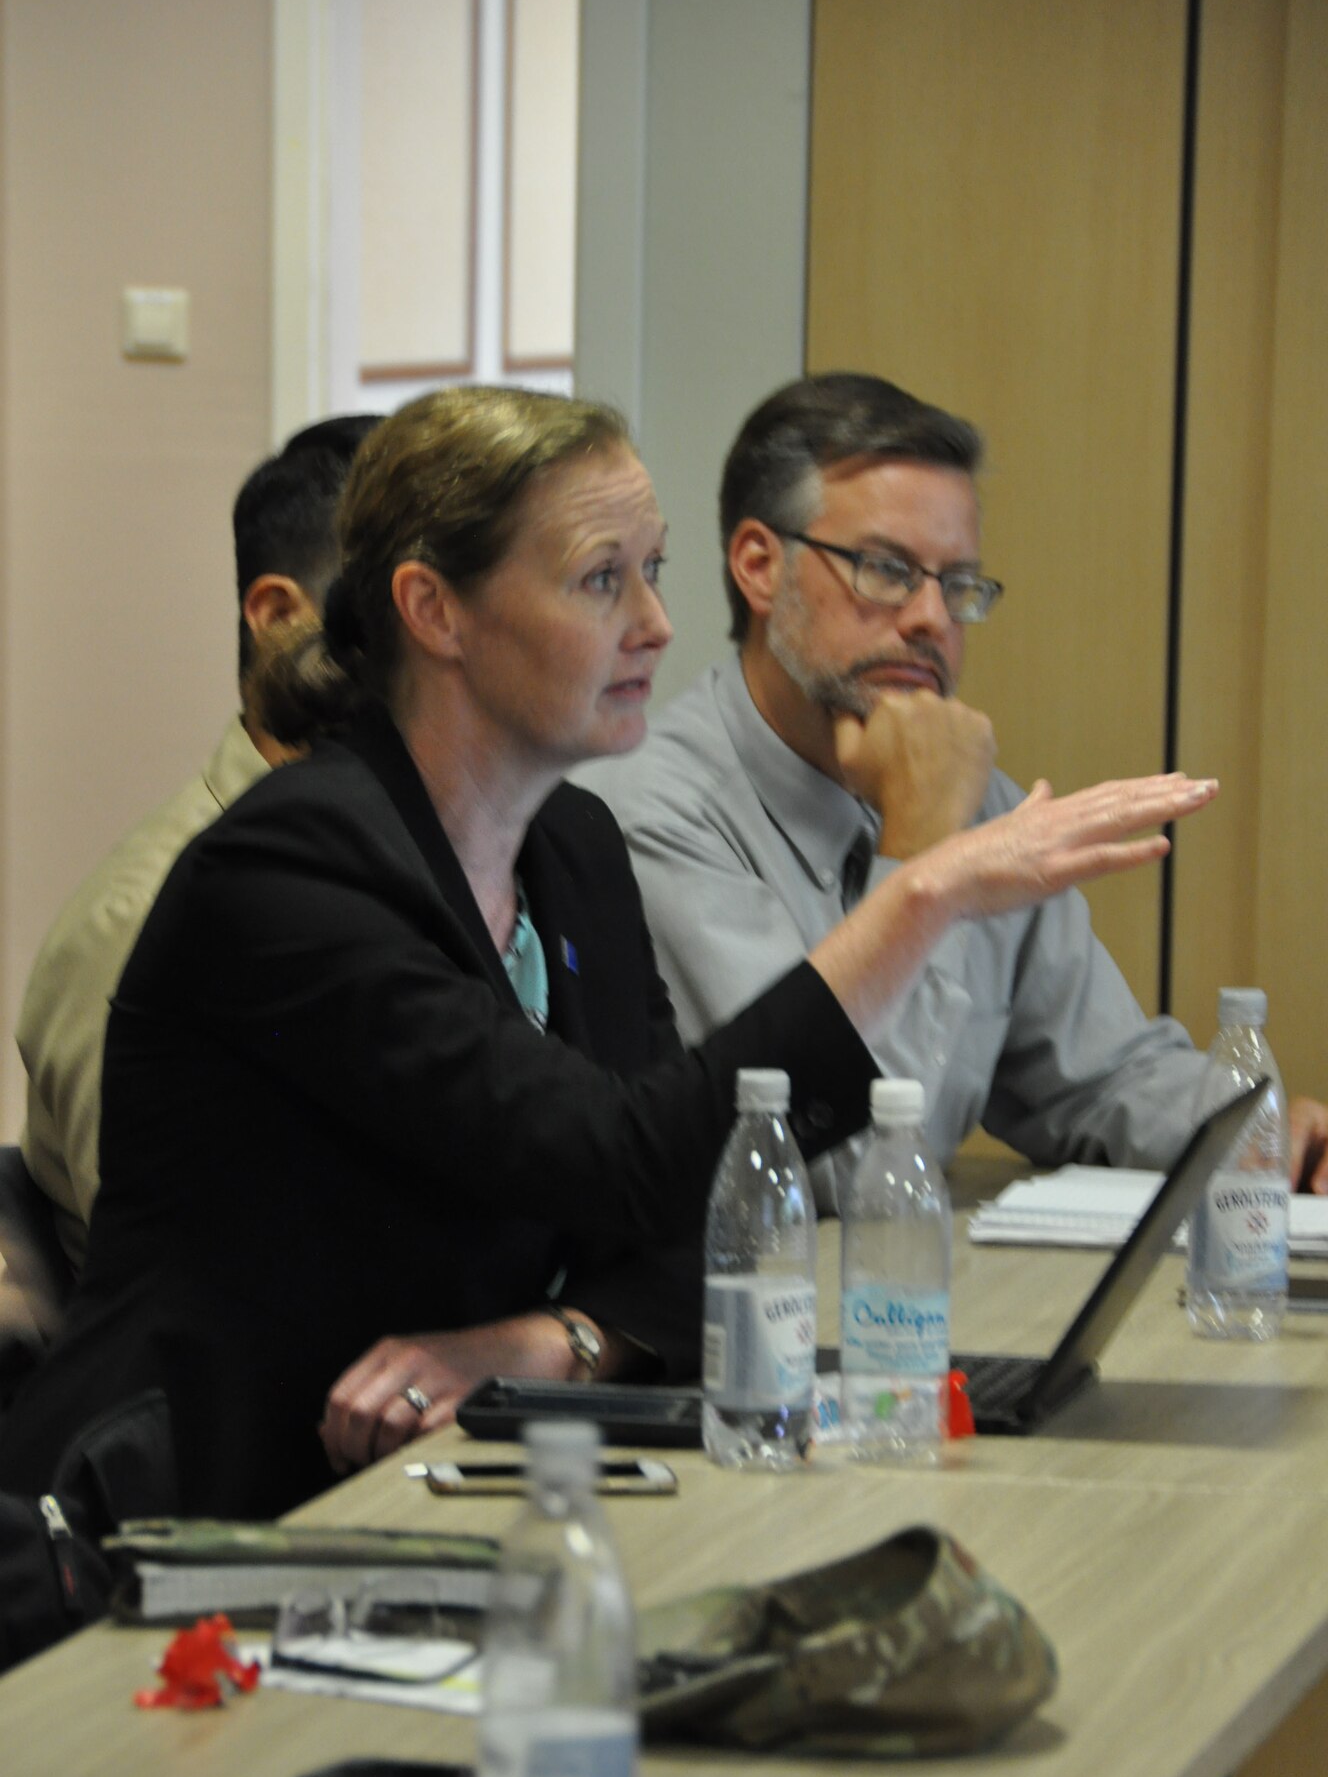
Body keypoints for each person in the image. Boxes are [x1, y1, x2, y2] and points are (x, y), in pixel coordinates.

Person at [0, 386, 1216, 1523]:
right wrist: (926, 889)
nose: (656, 623)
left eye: (653, 571)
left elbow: (691, 1215)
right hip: (196, 1510)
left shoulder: (568, 842)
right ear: (435, 611)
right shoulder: (290, 869)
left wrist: (554, 1340)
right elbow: (627, 1156)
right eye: (599, 580)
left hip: (445, 1465)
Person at [577, 371, 1328, 1198]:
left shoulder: (981, 800)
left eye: (958, 584)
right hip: (752, 1310)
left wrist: (1266, 1135)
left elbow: (1100, 1077)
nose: (933, 619)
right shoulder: (646, 812)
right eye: (887, 569)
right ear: (760, 566)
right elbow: (833, 1171)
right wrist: (928, 858)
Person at [15, 417, 380, 1280]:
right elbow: (197, 1293)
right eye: (400, 607)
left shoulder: (456, 865)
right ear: (280, 616)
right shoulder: (145, 920)